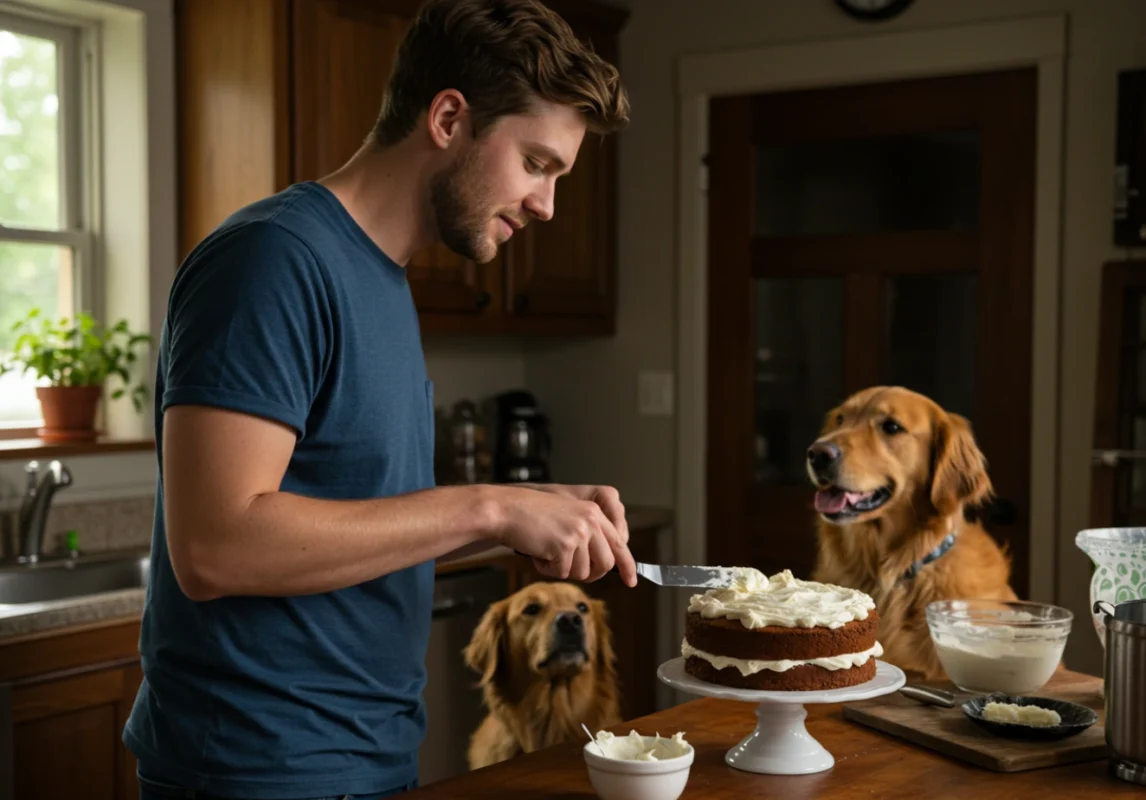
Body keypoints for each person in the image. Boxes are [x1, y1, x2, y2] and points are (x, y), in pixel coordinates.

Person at [122, 1, 634, 797]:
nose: (546, 205)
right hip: (260, 771)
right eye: (537, 164)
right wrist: (488, 509)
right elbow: (215, 546)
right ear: (449, 117)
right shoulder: (274, 261)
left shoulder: (384, 280)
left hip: (367, 758)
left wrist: (526, 508)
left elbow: (357, 518)